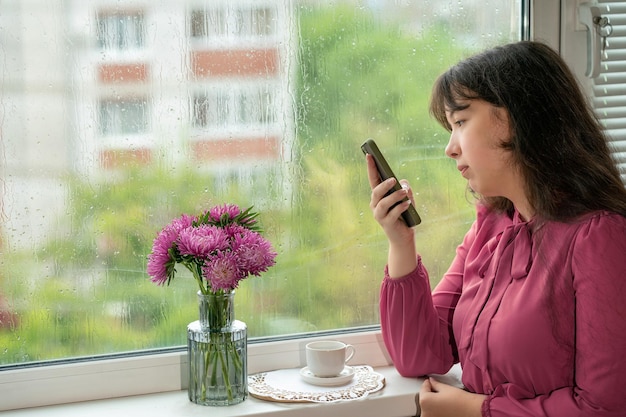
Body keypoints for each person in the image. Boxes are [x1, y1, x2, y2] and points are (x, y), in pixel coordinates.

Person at [366, 40, 626, 417]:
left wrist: (478, 410)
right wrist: (401, 242)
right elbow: (418, 356)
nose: (450, 148)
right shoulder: (490, 226)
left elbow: (606, 408)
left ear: (514, 119)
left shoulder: (601, 237)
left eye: (460, 122)